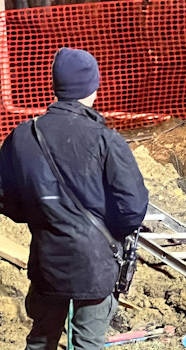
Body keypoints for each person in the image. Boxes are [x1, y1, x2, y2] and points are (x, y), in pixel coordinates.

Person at [0, 48, 149, 350]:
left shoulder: (22, 136)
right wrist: (108, 233)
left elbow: (6, 198)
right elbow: (133, 207)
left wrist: (44, 216)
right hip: (95, 263)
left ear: (55, 85)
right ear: (93, 86)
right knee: (87, 343)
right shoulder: (105, 139)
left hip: (47, 261)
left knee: (40, 342)